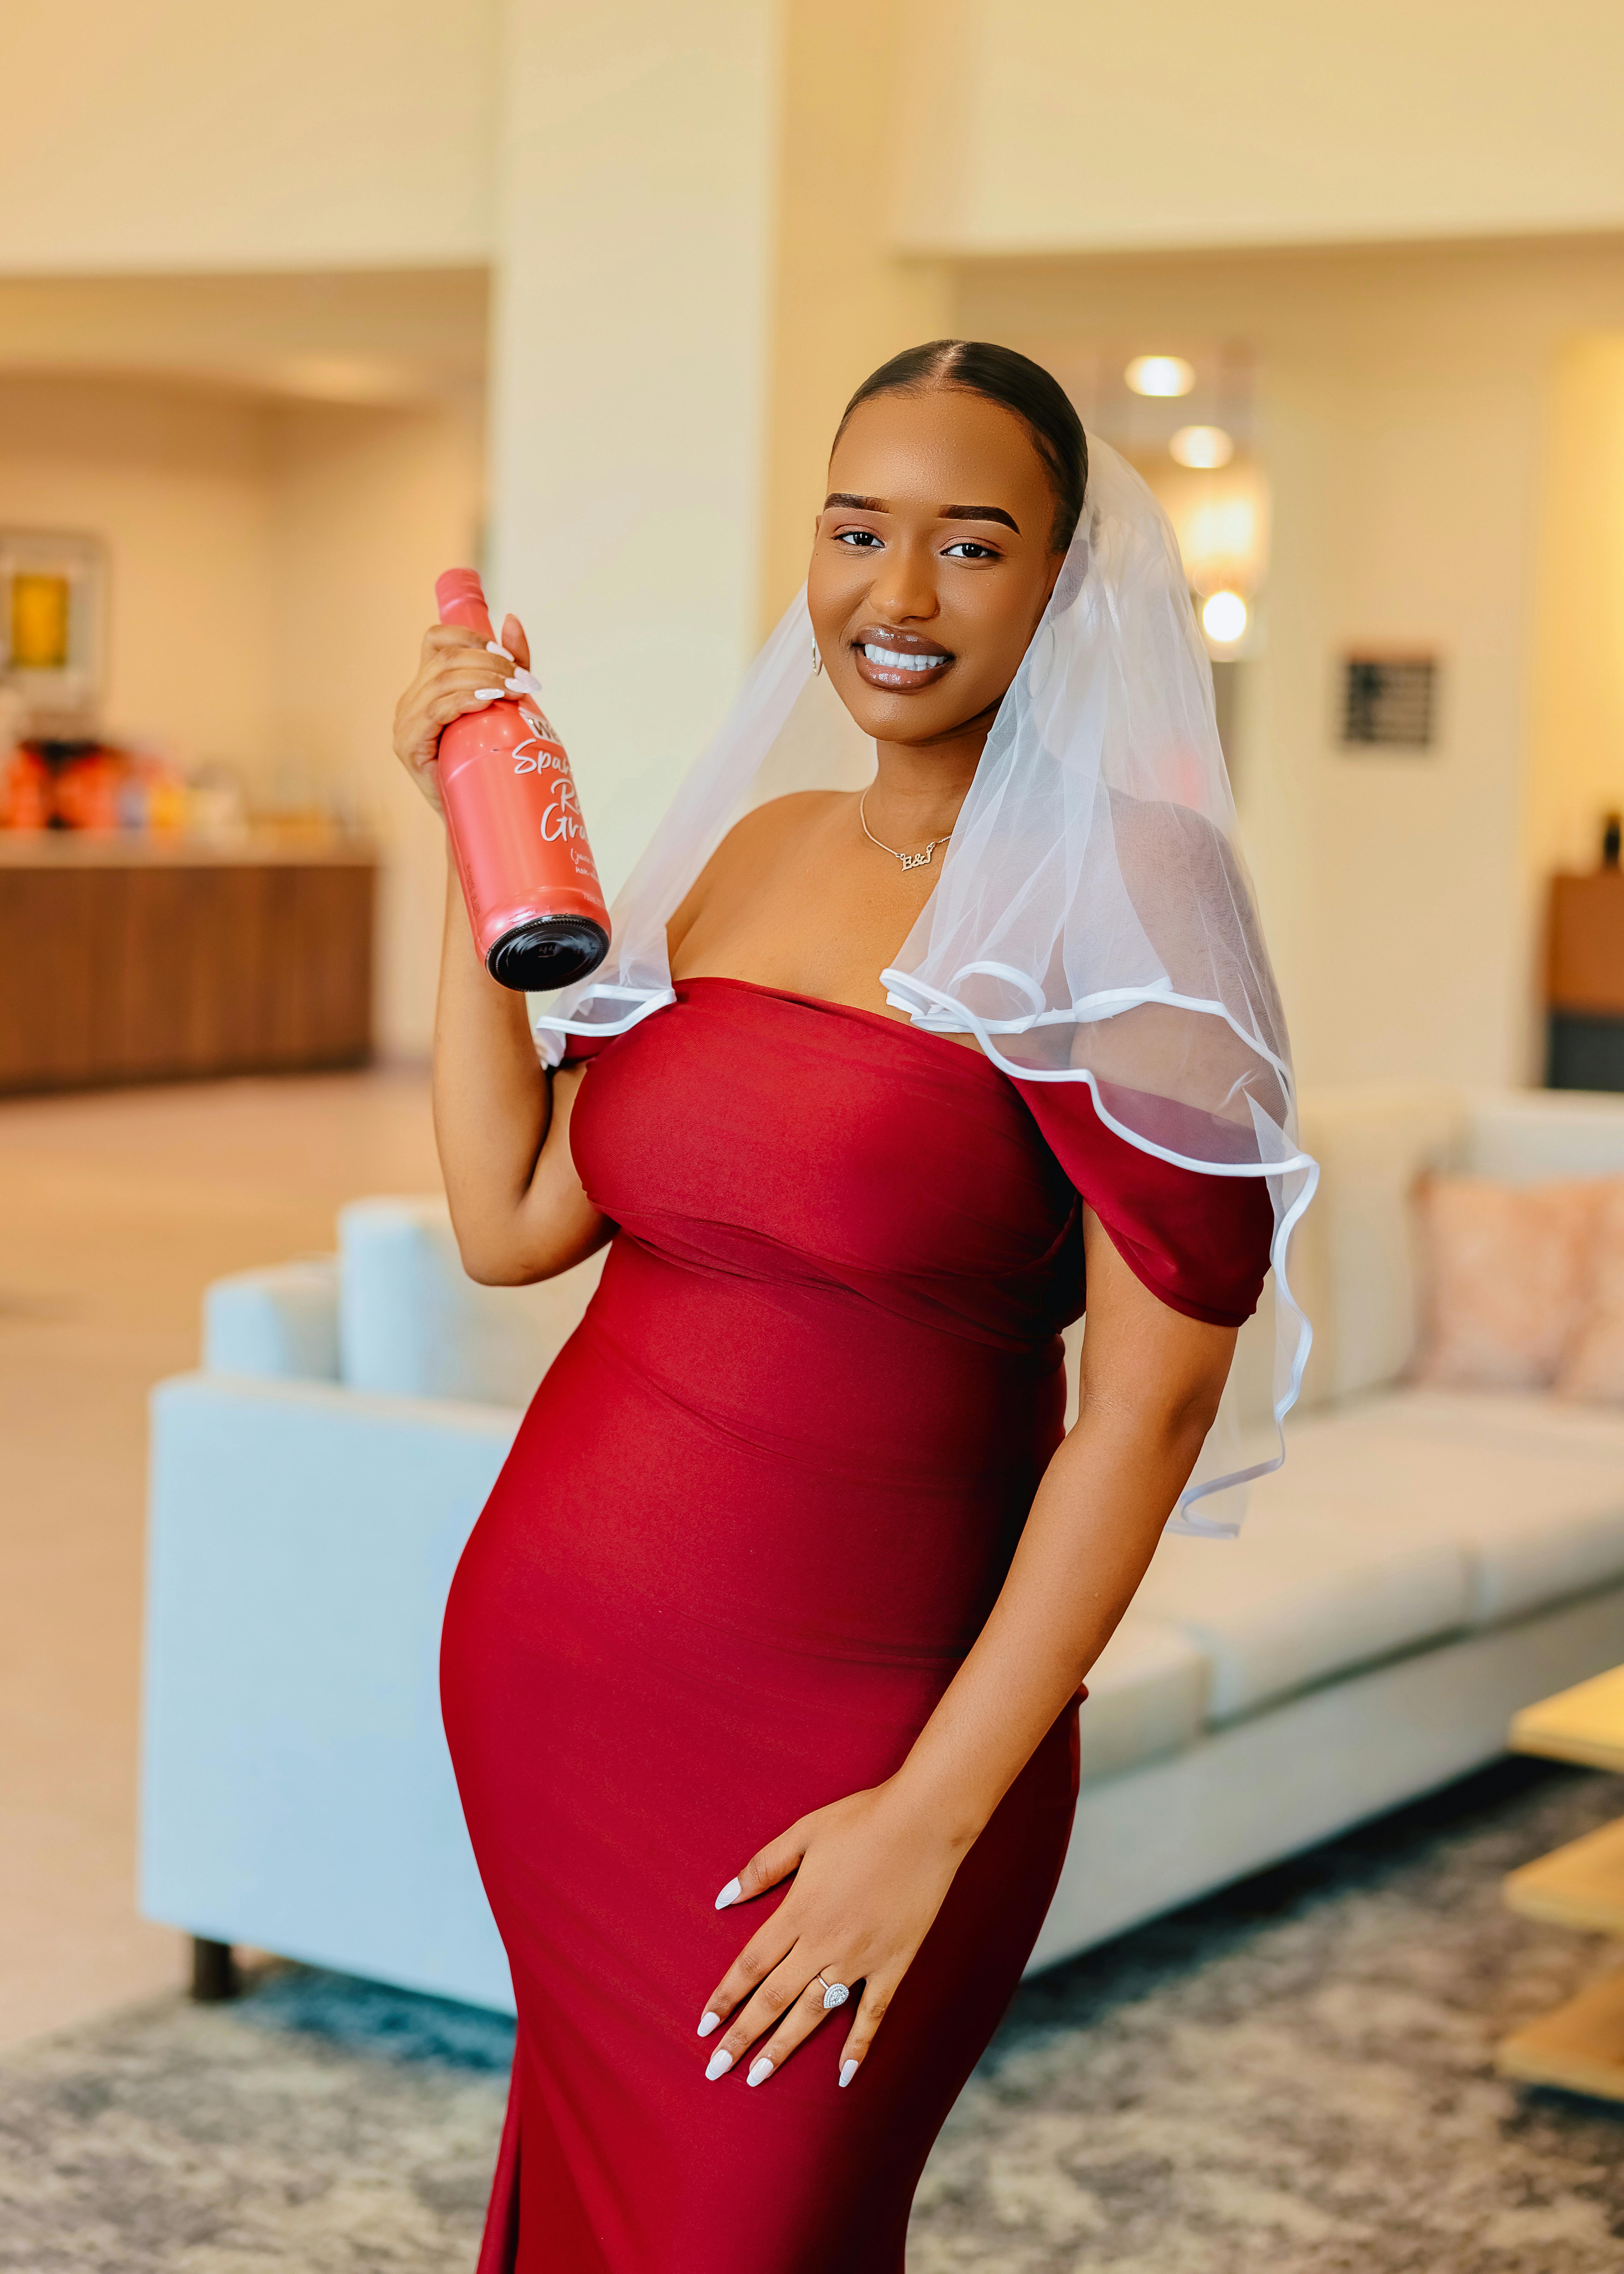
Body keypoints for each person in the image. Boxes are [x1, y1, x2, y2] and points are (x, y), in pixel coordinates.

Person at [391, 340, 1310, 2272]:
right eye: (853, 532)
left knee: (760, 2228)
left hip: (866, 1735)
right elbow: (512, 1213)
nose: (895, 598)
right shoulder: (757, 853)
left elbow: (1142, 1415)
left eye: (969, 545)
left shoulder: (1142, 902)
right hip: (559, 1678)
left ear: (1066, 585)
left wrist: (928, 1818)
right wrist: (472, 844)